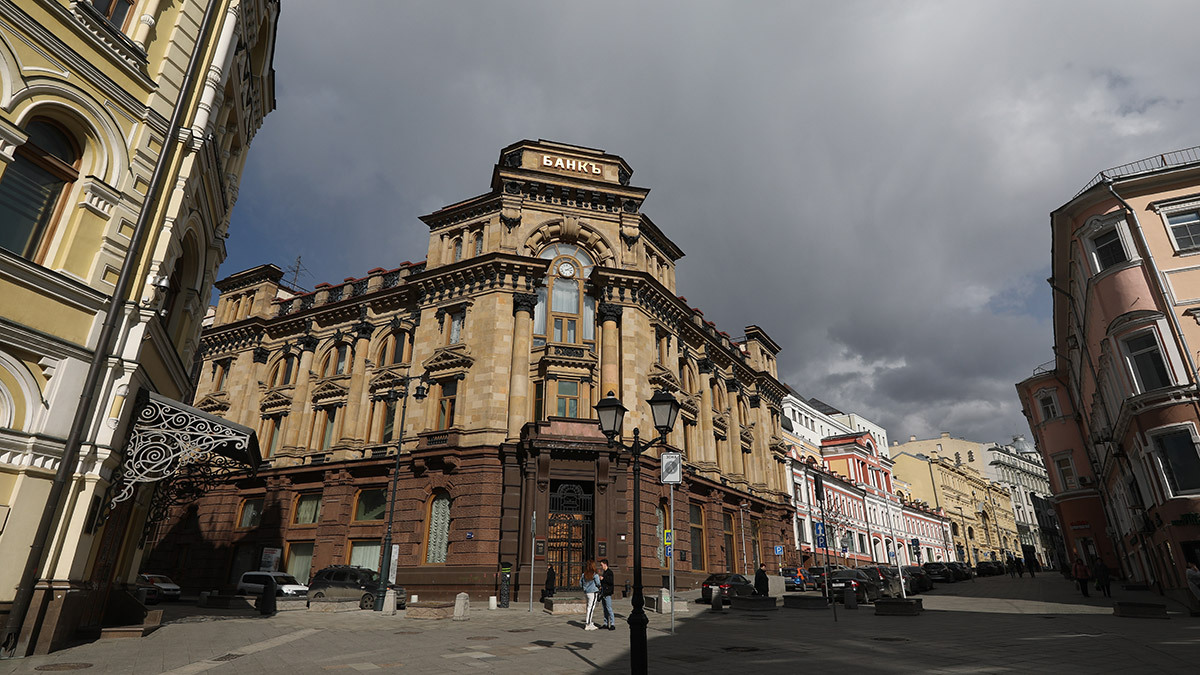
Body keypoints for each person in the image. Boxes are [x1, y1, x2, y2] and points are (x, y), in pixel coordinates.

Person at [580, 560, 601, 630]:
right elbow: (598, 583)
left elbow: (581, 583)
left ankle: (590, 622)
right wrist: (599, 587)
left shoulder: (584, 574)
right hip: (593, 592)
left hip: (586, 592)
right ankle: (588, 624)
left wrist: (584, 588)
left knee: (588, 607)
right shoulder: (595, 574)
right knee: (591, 608)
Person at [599, 559, 616, 630]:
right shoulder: (605, 572)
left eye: (602, 565)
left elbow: (610, 581)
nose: (601, 566)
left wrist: (603, 578)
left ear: (605, 564)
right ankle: (606, 623)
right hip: (603, 593)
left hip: (607, 593)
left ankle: (612, 624)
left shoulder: (609, 572)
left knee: (609, 608)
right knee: (605, 609)